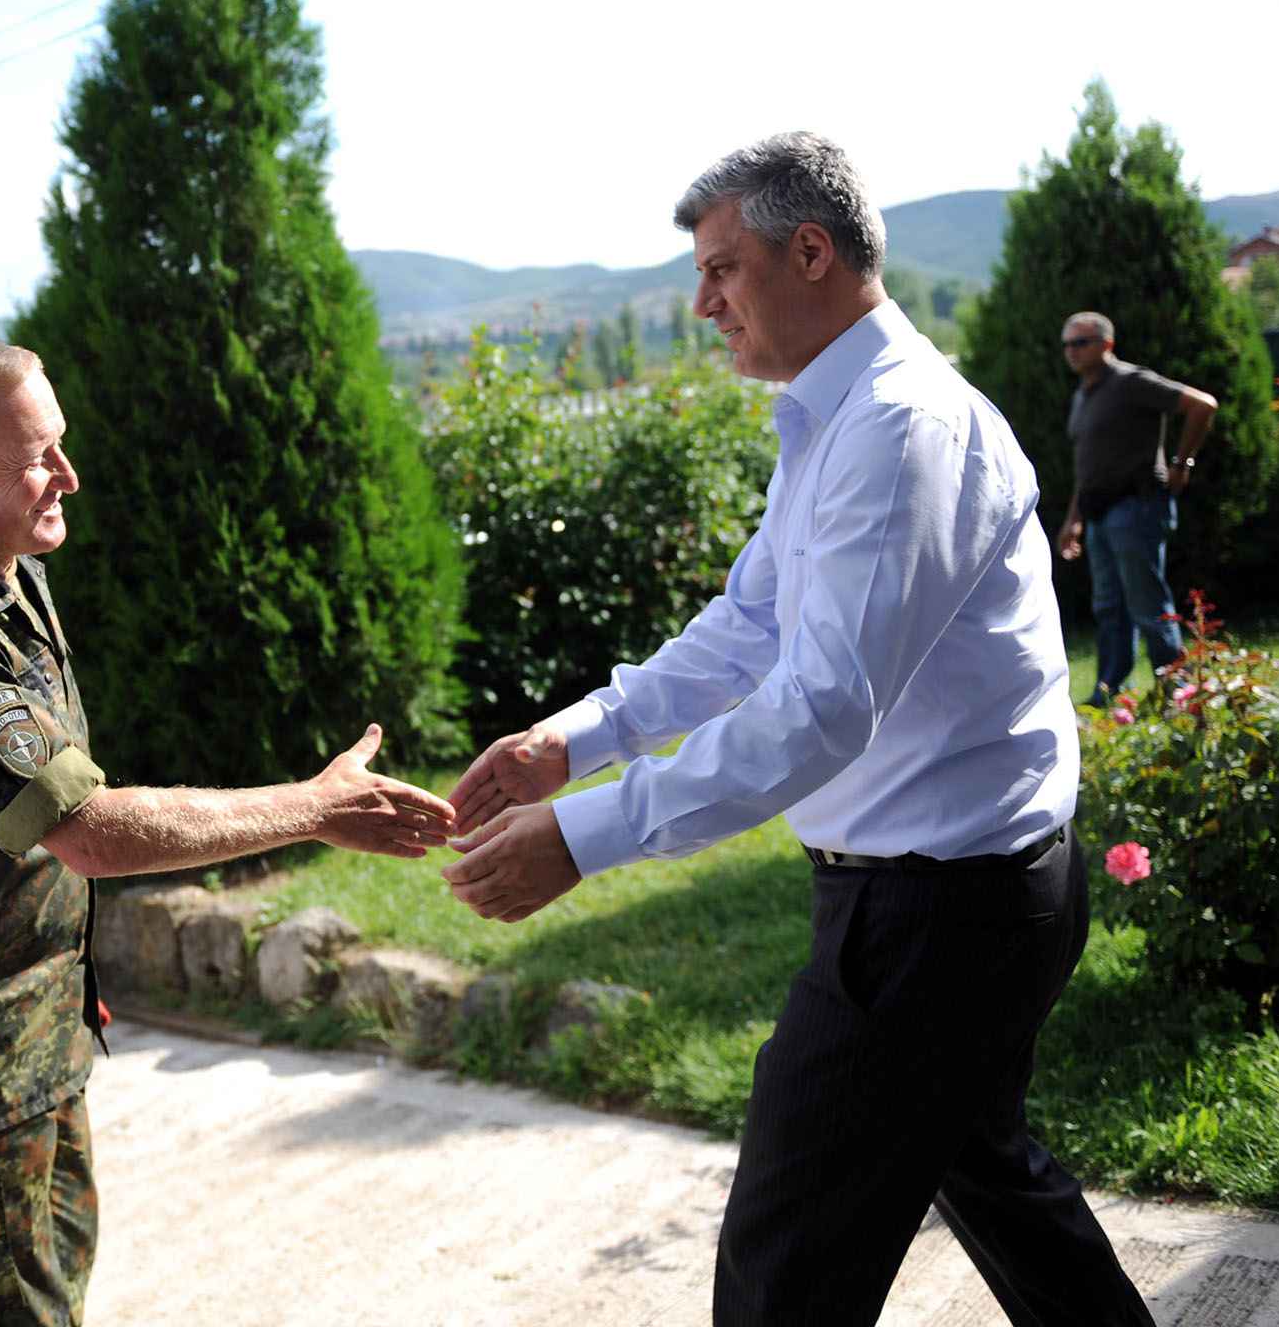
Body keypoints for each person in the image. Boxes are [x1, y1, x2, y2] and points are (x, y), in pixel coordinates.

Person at [441, 134, 1154, 1326]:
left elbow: (818, 708)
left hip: (932, 919)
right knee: (1002, 1193)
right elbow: (751, 626)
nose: (701, 303)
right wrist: (572, 744)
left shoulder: (897, 429)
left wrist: (583, 834)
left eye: (721, 268)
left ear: (808, 251)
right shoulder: (838, 422)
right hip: (958, 897)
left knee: (782, 1275)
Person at [0, 335, 453, 1327]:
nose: (66, 473)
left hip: (27, 1026)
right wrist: (315, 807)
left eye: (57, 442)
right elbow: (86, 830)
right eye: (34, 458)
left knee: (50, 1296)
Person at [1053, 312, 1217, 707]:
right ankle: (1109, 690)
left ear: (1106, 344)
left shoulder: (1132, 382)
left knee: (1147, 604)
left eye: (1081, 342)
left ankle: (1180, 691)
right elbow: (1087, 467)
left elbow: (1203, 405)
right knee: (1108, 607)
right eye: (1067, 344)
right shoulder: (1083, 395)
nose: (1072, 352)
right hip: (1099, 512)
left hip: (1137, 505)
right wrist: (1074, 520)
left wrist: (1182, 464)